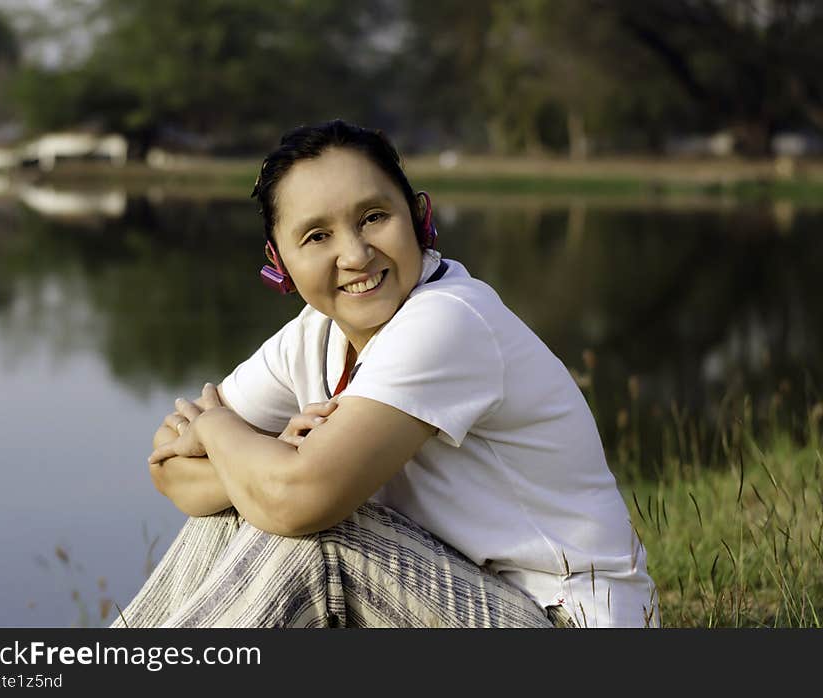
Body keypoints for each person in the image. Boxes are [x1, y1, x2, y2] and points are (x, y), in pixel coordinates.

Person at [111, 119, 659, 629]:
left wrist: (218, 433)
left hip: (569, 621)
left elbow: (297, 501)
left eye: (374, 217)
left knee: (318, 533)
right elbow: (167, 468)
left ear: (419, 217)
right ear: (278, 261)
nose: (355, 254)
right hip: (461, 600)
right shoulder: (313, 335)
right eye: (316, 236)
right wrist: (265, 462)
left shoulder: (448, 319)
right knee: (238, 507)